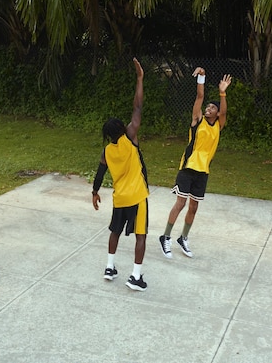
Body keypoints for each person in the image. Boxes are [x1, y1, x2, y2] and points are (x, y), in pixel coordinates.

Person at [159, 67, 232, 259]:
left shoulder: (218, 124)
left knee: (194, 207)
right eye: (207, 107)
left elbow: (224, 111)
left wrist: (222, 92)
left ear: (217, 113)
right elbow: (199, 97)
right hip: (188, 167)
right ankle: (165, 236)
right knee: (181, 203)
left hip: (203, 170)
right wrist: (202, 76)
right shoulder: (197, 120)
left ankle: (183, 238)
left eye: (212, 107)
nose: (208, 108)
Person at [92, 57, 149, 291]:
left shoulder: (107, 150)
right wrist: (140, 78)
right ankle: (135, 277)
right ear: (122, 129)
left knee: (115, 231)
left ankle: (109, 267)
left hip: (120, 198)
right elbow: (137, 107)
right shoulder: (130, 138)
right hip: (136, 196)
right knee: (141, 235)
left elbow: (99, 171)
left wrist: (95, 191)